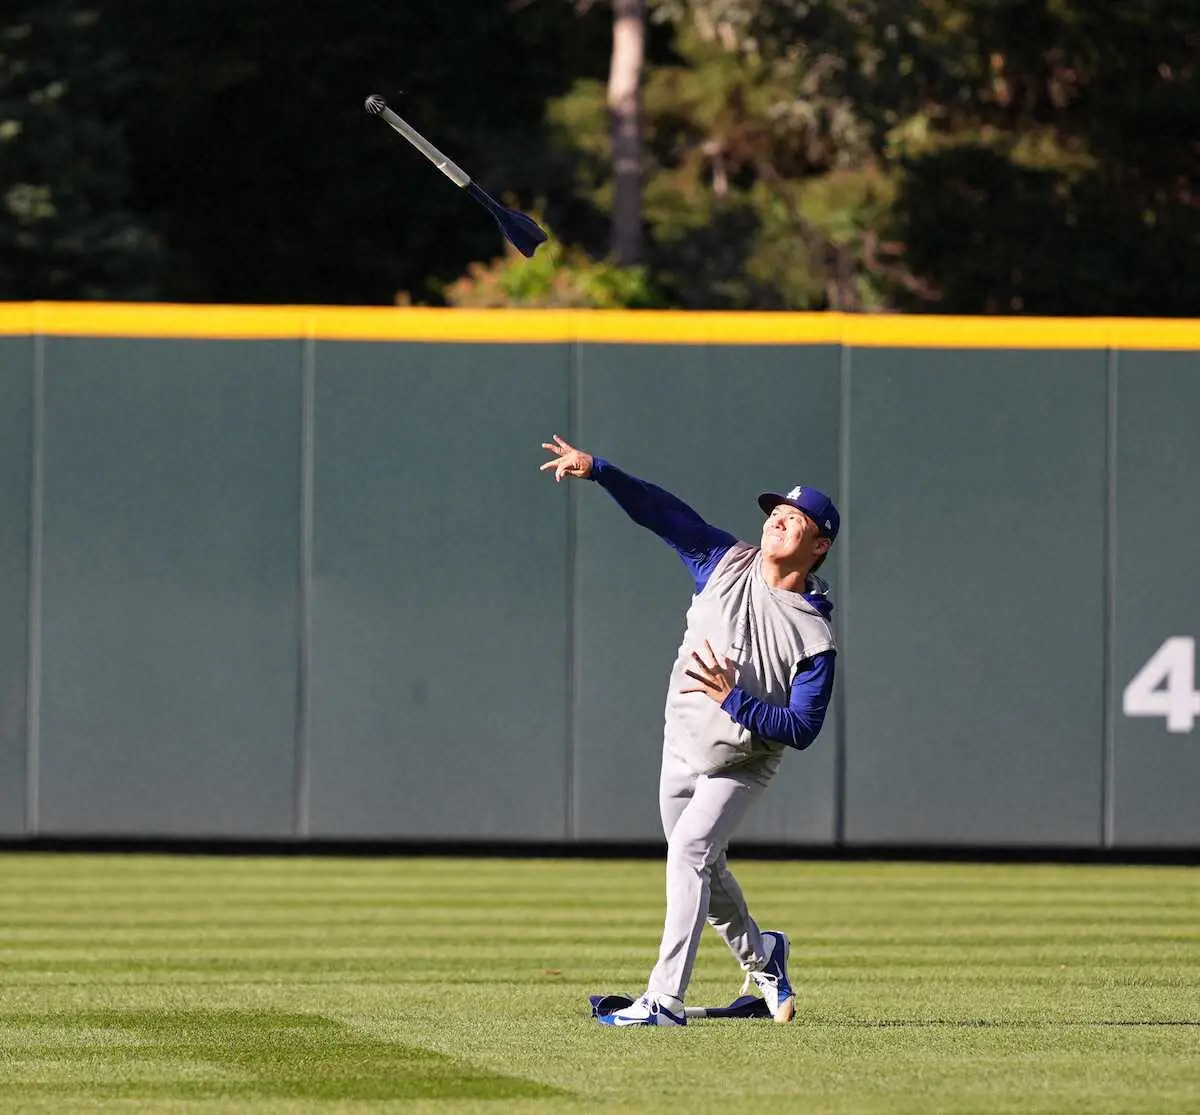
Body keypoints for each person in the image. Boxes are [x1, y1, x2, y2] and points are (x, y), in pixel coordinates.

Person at [539, 435, 839, 1028]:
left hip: (742, 763)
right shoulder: (722, 561)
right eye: (777, 511)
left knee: (689, 852)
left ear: (820, 544)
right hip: (681, 745)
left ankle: (664, 999)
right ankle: (766, 960)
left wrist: (734, 699)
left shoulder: (815, 638)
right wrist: (599, 470)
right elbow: (662, 512)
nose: (779, 519)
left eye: (796, 518)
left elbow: (802, 729)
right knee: (704, 864)